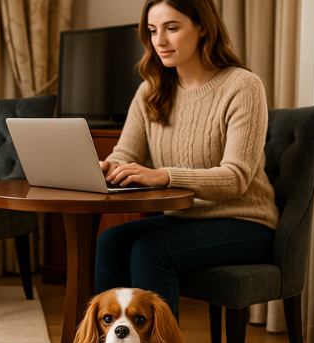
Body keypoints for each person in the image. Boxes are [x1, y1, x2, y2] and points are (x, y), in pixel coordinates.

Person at [95, 0, 279, 323]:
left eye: (172, 28)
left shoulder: (242, 86)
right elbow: (126, 154)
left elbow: (236, 178)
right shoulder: (150, 91)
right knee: (112, 241)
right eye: (153, 31)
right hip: (186, 219)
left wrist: (164, 176)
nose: (160, 41)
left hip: (247, 223)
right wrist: (108, 167)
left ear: (203, 27)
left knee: (151, 250)